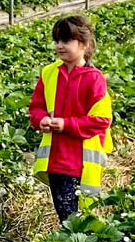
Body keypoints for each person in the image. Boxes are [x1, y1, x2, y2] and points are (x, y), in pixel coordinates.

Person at [29, 14, 113, 223]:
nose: (59, 46)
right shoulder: (49, 73)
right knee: (64, 210)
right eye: (56, 40)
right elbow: (36, 105)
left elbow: (102, 120)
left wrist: (67, 124)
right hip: (54, 159)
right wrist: (40, 120)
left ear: (83, 44)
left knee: (72, 216)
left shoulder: (94, 78)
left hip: (79, 161)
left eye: (66, 41)